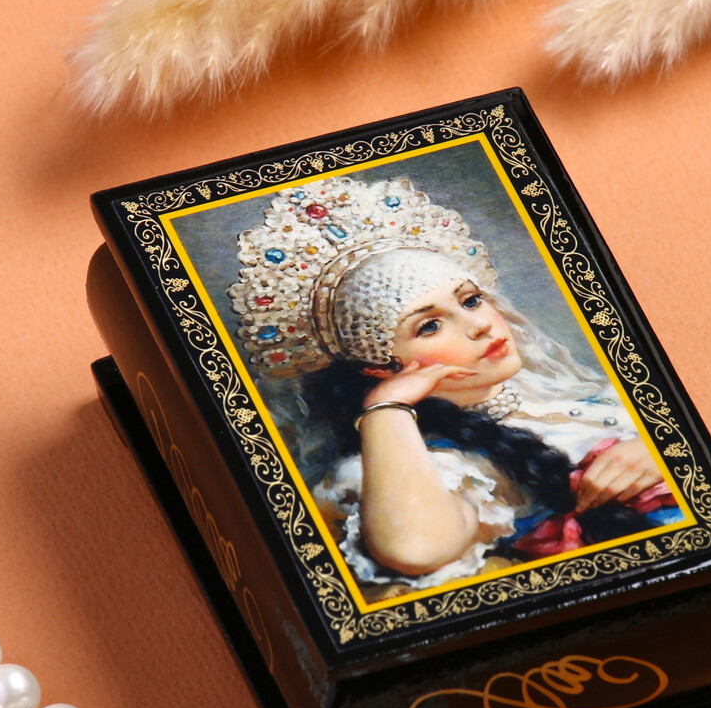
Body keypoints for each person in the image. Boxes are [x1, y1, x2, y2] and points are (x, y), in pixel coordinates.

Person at [229, 174, 679, 595]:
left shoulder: (588, 398)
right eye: (429, 326)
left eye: (470, 300)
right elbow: (415, 550)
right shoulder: (431, 466)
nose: (479, 325)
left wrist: (659, 451)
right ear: (378, 369)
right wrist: (386, 410)